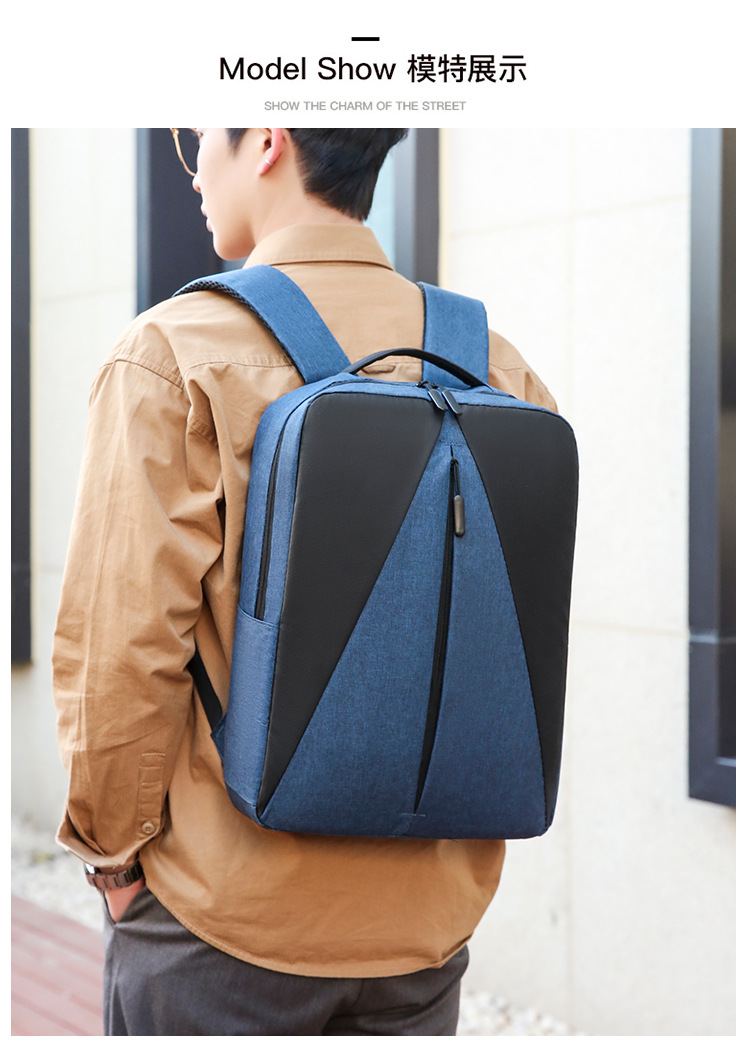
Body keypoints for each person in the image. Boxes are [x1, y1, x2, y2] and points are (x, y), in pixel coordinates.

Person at [53, 127, 558, 1036]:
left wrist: (112, 862)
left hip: (223, 929)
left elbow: (120, 651)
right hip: (424, 939)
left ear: (266, 140)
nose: (193, 169)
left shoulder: (175, 353)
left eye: (197, 137)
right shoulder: (496, 363)